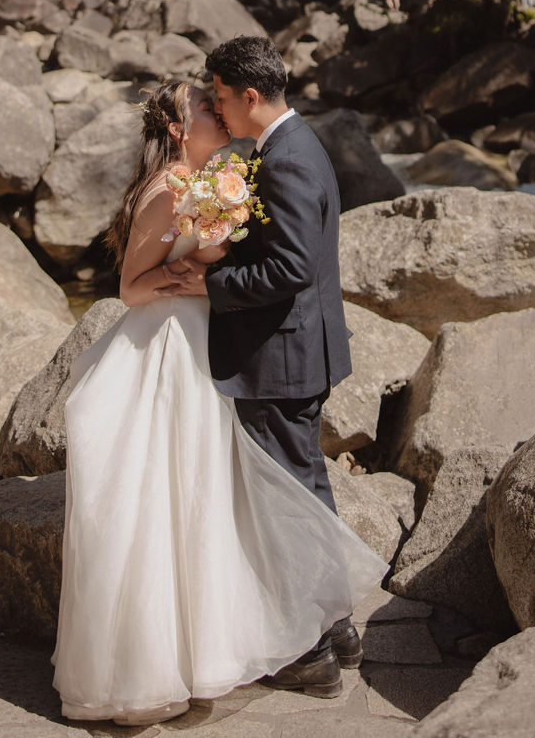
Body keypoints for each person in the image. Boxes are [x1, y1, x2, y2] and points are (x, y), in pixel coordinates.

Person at [52, 81, 384, 727]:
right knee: (176, 502)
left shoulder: (215, 176)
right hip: (170, 349)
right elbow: (129, 285)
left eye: (217, 101)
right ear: (179, 129)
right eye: (204, 107)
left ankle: (291, 629)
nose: (216, 111)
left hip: (211, 347)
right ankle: (181, 655)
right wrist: (187, 280)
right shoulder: (167, 189)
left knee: (220, 499)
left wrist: (212, 270)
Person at [164, 36, 365, 696]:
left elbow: (291, 267)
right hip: (299, 347)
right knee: (305, 490)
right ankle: (336, 625)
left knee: (281, 503)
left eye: (220, 97)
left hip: (279, 353)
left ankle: (308, 654)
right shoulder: (290, 146)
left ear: (249, 95)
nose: (217, 111)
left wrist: (208, 285)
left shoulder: (285, 160)